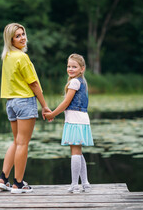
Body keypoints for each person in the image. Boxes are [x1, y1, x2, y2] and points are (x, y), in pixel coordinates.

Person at [0, 23, 51, 194]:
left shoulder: (7, 56)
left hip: (11, 103)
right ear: (11, 39)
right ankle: (18, 184)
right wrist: (45, 106)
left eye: (23, 34)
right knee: (23, 144)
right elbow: (34, 83)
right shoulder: (22, 57)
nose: (23, 38)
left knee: (16, 141)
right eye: (18, 36)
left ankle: (3, 179)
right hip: (25, 102)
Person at [44, 53, 94, 193]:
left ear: (82, 69)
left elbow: (66, 103)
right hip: (82, 119)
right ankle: (85, 183)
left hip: (75, 120)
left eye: (74, 66)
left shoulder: (74, 82)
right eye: (69, 66)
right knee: (78, 151)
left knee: (75, 152)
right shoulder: (82, 82)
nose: (70, 69)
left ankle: (74, 185)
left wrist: (52, 114)